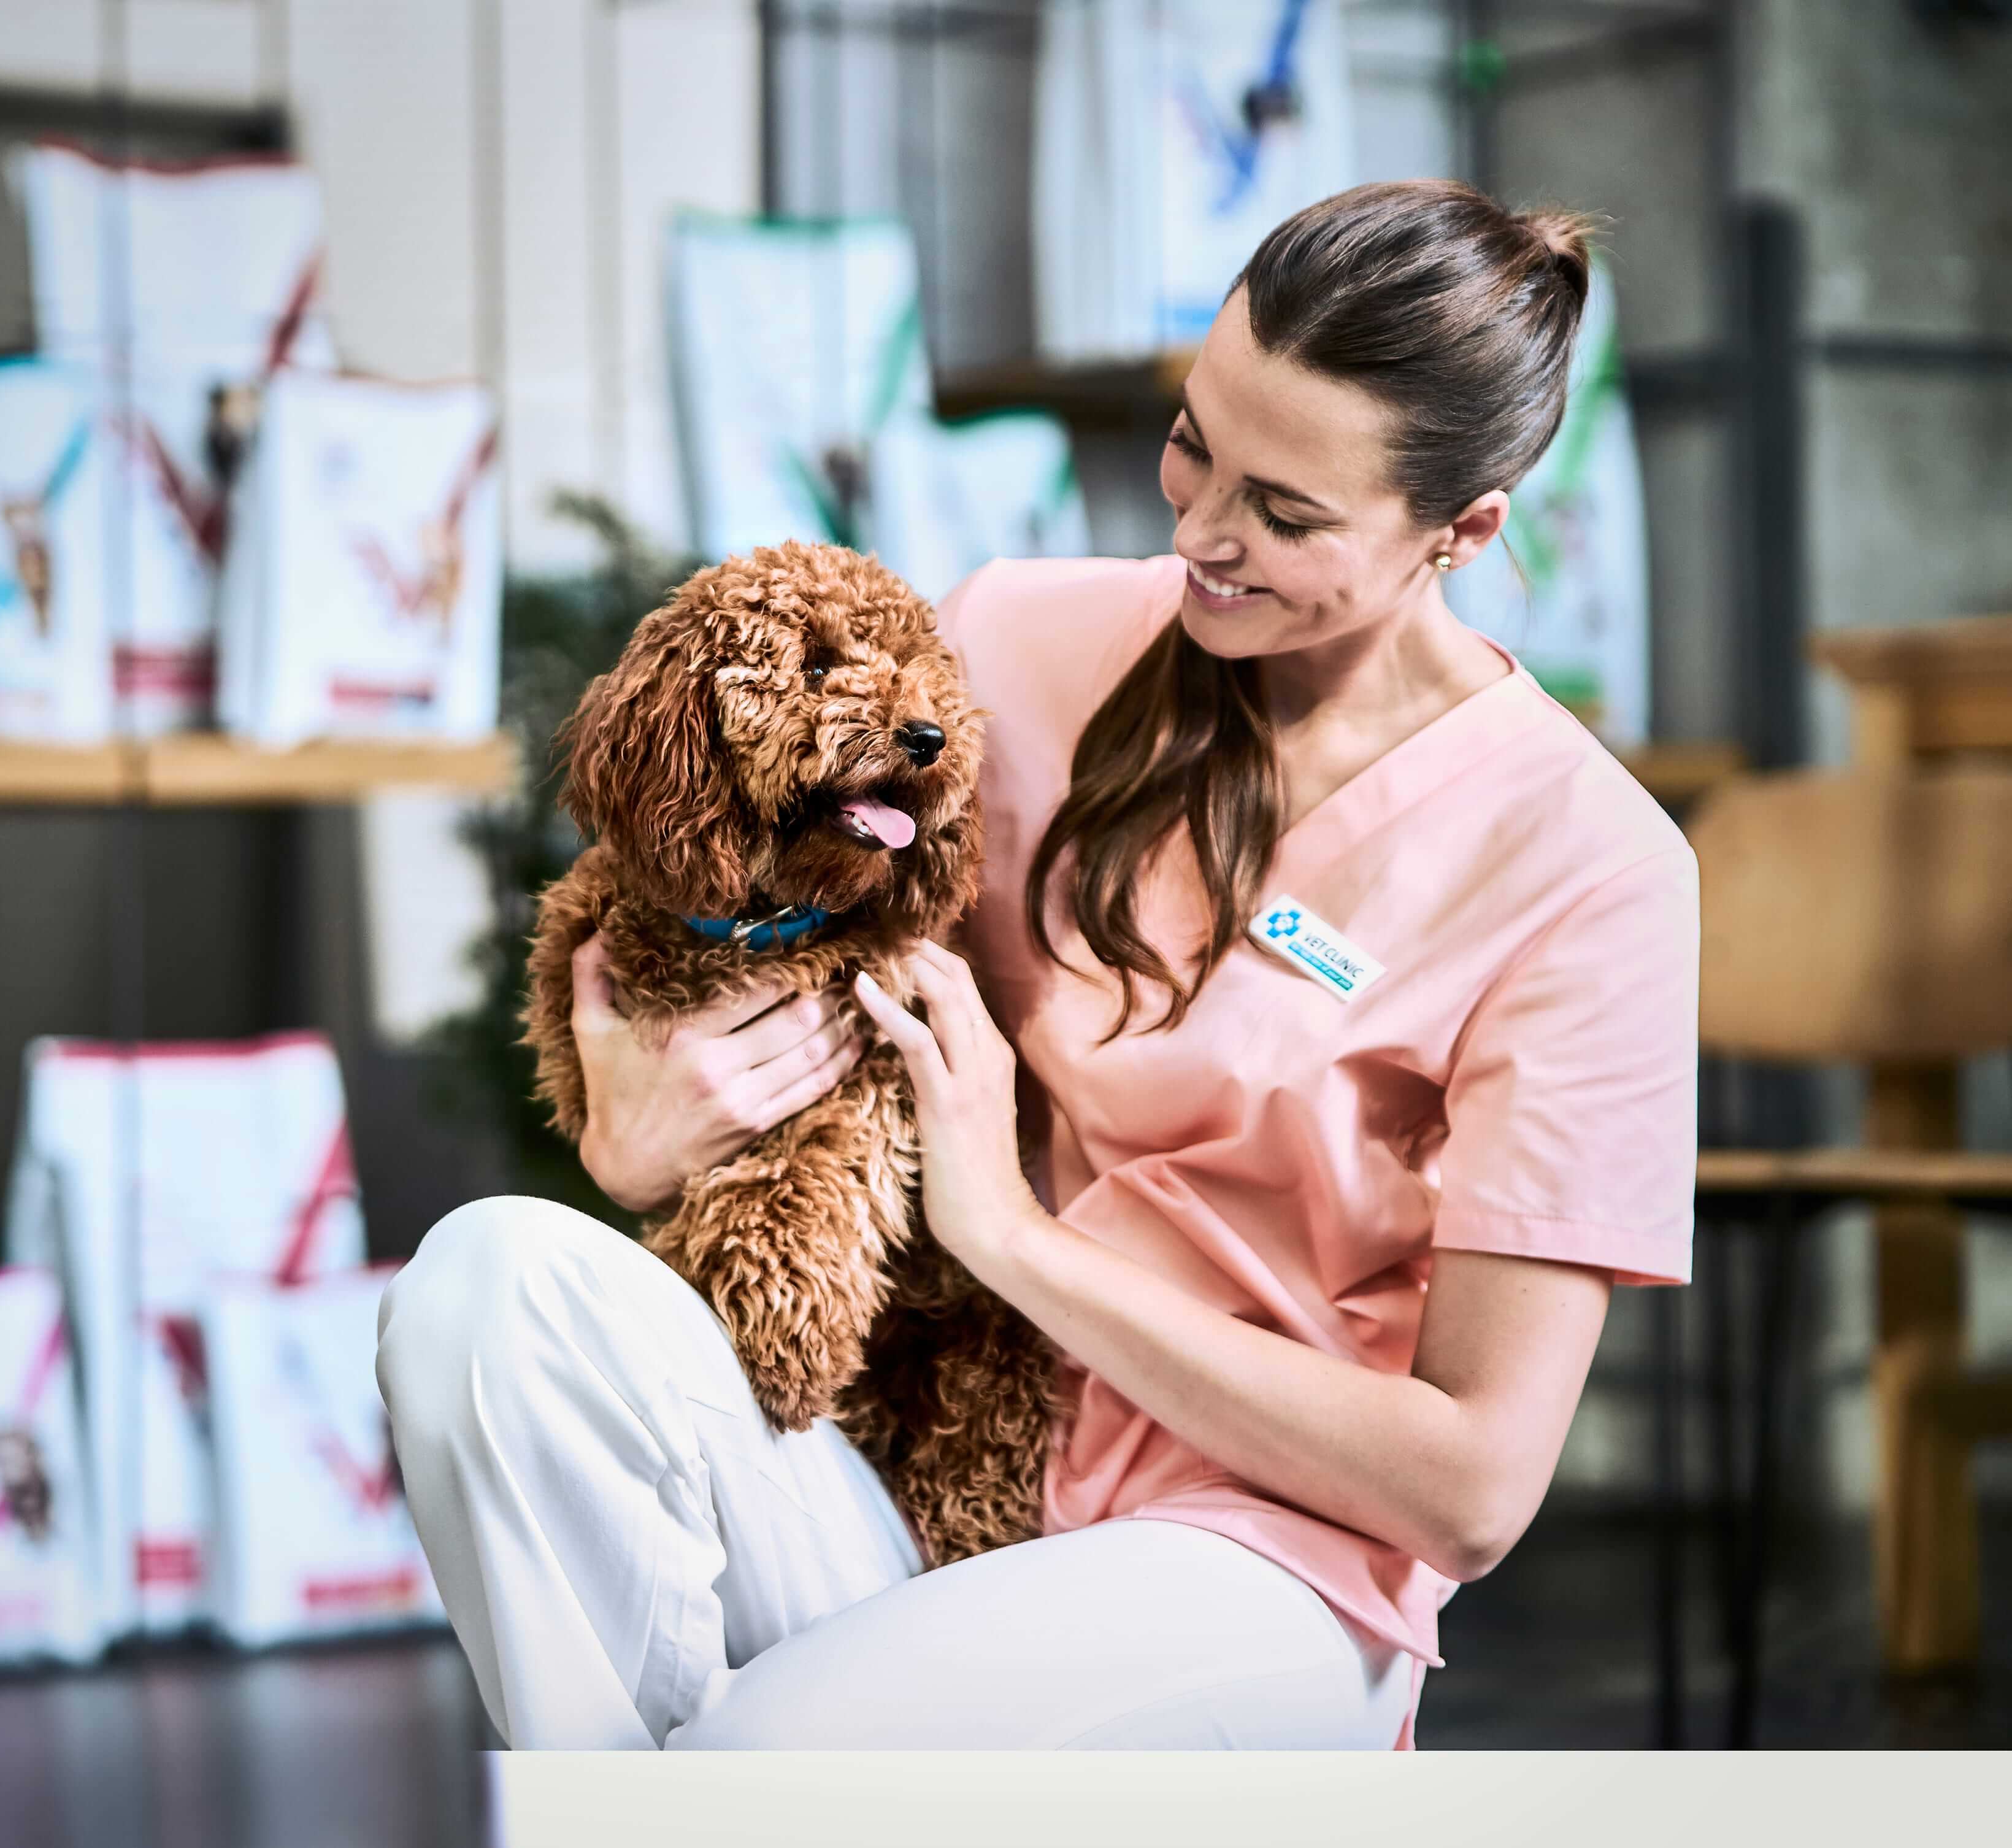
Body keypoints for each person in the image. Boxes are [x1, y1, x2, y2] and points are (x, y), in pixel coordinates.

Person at [375, 180, 1697, 1751]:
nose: (1201, 534)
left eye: (1285, 514)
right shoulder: (1009, 643)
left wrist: (1004, 1231)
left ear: (1460, 533)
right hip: (921, 1456)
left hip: (1258, 1563)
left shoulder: (1588, 867)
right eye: (1197, 442)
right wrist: (643, 1123)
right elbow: (786, 964)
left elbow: (1472, 1491)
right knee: (487, 1290)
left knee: (754, 1765)